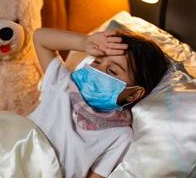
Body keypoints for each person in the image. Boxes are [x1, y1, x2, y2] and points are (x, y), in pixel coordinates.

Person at [28, 28, 169, 178]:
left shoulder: (119, 136)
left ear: (134, 94)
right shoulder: (63, 83)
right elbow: (40, 38)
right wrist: (84, 42)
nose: (98, 70)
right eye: (97, 61)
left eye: (112, 71)